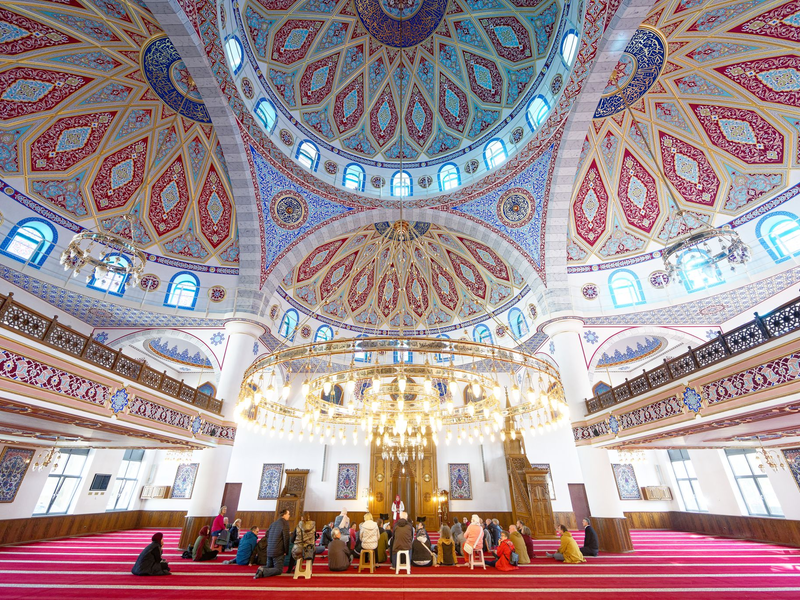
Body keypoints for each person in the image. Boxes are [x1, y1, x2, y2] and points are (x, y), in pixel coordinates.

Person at [255, 509, 291, 578]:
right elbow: (286, 538)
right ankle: (263, 571)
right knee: (279, 570)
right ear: (284, 515)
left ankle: (261, 569)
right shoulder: (285, 523)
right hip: (278, 551)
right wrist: (286, 551)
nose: (289, 516)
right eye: (288, 514)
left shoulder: (273, 523)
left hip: (269, 550)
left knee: (269, 566)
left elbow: (267, 535)